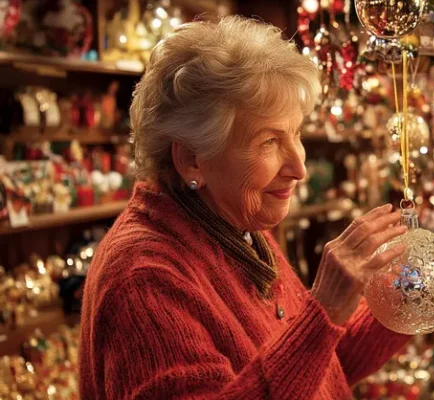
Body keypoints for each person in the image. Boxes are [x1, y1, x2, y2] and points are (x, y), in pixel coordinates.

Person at [79, 16, 411, 399]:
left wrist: (402, 300)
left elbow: (317, 373)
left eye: (296, 133)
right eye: (269, 142)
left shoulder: (232, 228)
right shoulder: (145, 277)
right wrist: (322, 313)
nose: (299, 167)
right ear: (192, 159)